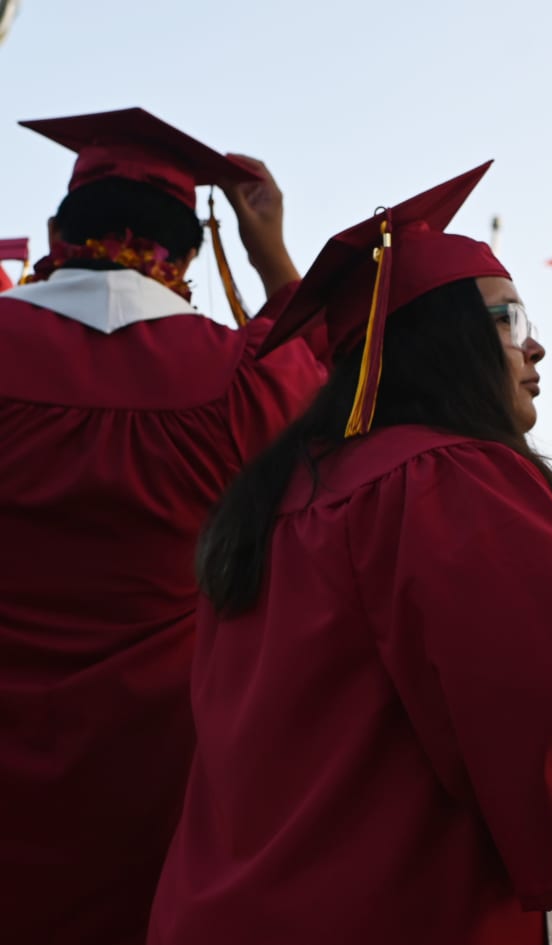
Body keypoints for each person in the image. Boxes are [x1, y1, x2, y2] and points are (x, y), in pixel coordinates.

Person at [147, 164, 552, 945]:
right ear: (445, 343)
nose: (538, 347)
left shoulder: (271, 501)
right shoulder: (445, 483)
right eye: (511, 321)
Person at [0, 108, 326, 944]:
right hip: (154, 780)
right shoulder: (240, 378)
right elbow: (328, 370)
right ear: (188, 251)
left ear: (55, 231)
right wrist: (272, 256)